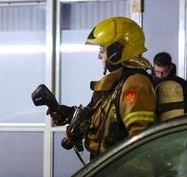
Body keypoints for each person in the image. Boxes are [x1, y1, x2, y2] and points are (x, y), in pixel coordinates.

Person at [50, 17, 157, 160]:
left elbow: (139, 136)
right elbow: (94, 117)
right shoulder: (116, 83)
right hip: (105, 168)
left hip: (120, 173)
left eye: (102, 49)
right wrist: (65, 112)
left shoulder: (134, 83)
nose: (99, 55)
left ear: (116, 50)